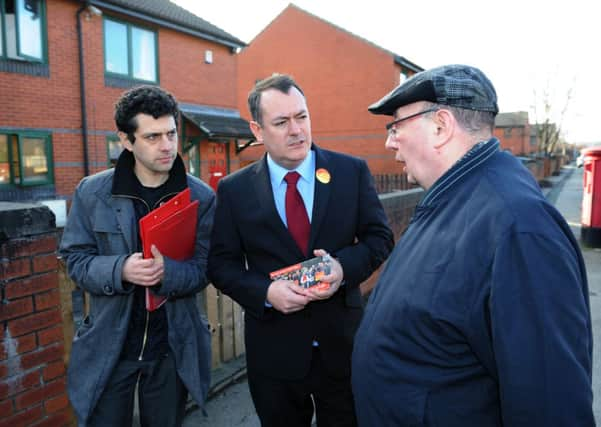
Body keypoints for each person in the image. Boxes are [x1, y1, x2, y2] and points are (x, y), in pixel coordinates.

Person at [351, 64, 594, 426]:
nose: (390, 141)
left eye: (396, 125)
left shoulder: (518, 226)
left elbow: (550, 403)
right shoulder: (455, 198)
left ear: (441, 126)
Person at [208, 74, 394, 427]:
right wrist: (265, 292)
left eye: (302, 117)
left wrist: (341, 269)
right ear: (258, 130)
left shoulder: (350, 172)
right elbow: (220, 265)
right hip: (275, 355)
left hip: (343, 348)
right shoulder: (235, 190)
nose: (297, 131)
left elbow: (379, 238)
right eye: (281, 122)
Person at [59, 85, 215, 427]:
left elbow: (206, 269)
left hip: (171, 349)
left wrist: (168, 273)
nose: (167, 146)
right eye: (153, 136)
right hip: (110, 348)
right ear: (126, 141)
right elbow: (75, 260)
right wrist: (121, 269)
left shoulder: (200, 196)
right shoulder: (92, 192)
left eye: (172, 133)